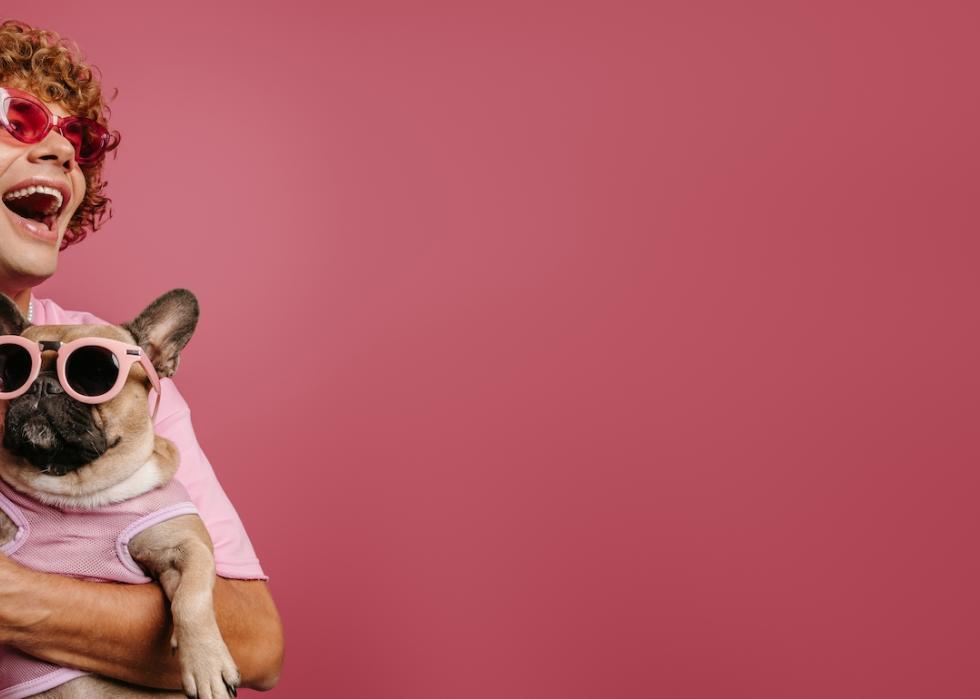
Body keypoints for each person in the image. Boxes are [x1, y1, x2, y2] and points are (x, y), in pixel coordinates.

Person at [0, 19, 284, 692]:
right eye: (19, 120)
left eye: (78, 142)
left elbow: (255, 644)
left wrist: (17, 599)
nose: (62, 152)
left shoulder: (109, 366)